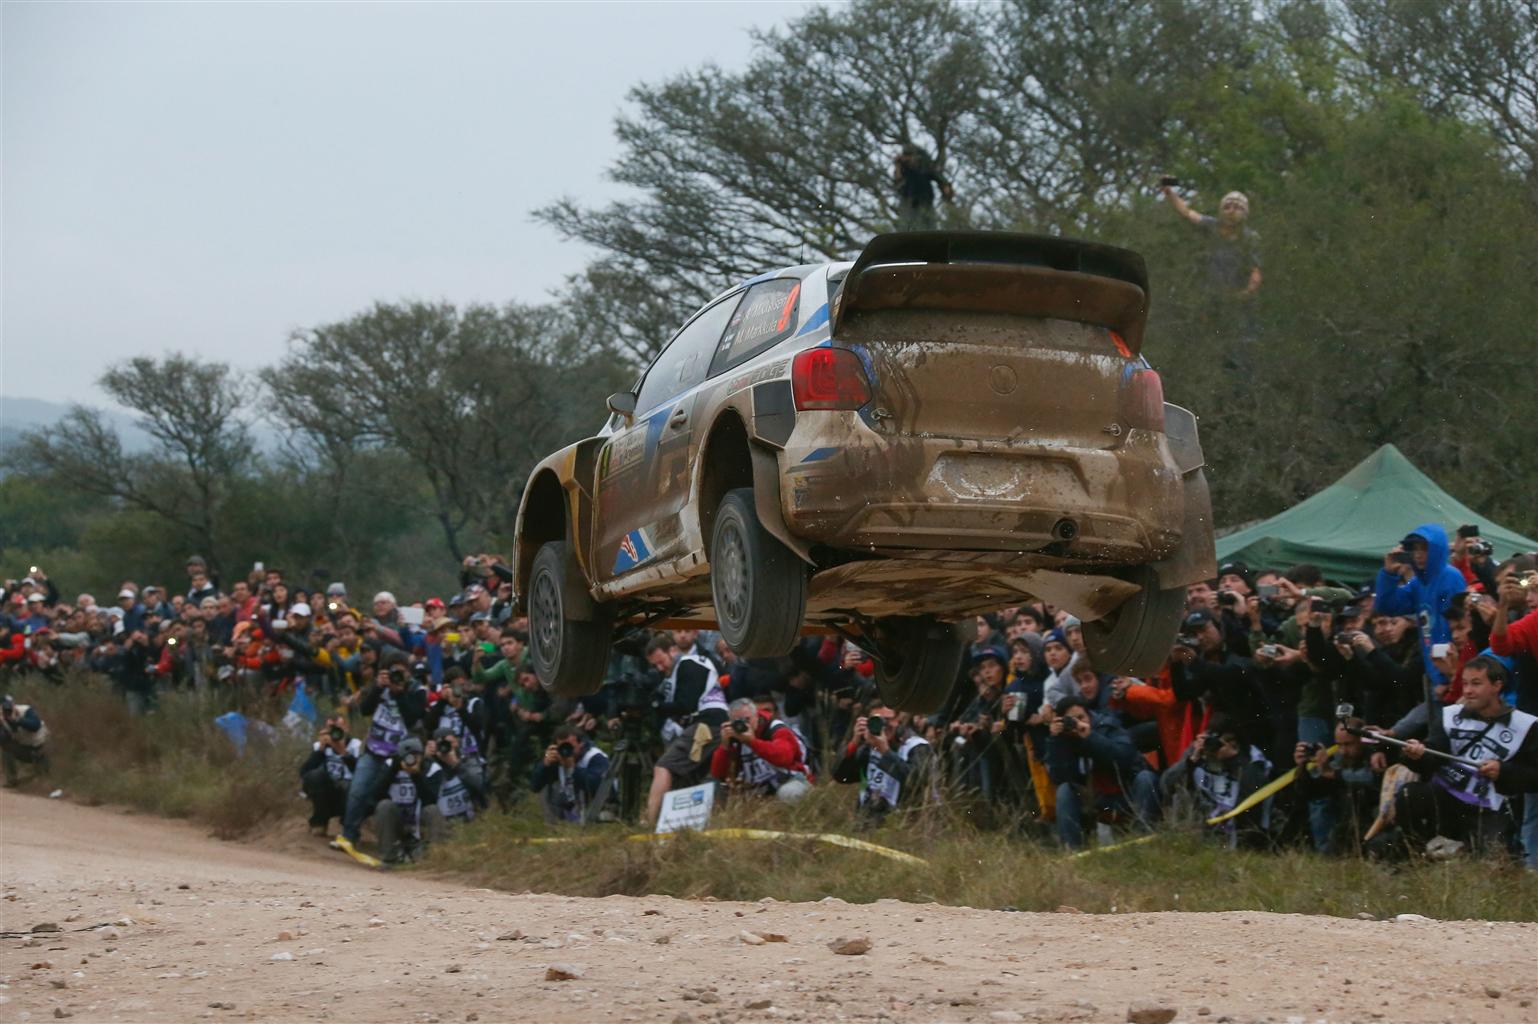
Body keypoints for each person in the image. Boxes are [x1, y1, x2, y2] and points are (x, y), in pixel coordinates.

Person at [1375, 657, 1538, 859]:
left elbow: (1533, 776)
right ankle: (1414, 855)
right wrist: (1417, 755)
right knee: (1409, 795)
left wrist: (1503, 771)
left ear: (1497, 686)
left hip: (1490, 808)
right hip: (1445, 794)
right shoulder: (1450, 715)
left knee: (1496, 859)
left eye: (1476, 684)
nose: (1467, 691)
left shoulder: (1526, 726)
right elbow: (1433, 754)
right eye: (1465, 683)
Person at [1045, 695, 1159, 849]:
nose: (1078, 723)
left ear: (1089, 715)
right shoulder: (1063, 738)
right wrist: (1055, 740)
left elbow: (1124, 758)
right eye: (1072, 720)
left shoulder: (1107, 726)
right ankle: (1072, 850)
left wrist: (1090, 737)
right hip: (1097, 799)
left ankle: (1144, 839)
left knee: (1146, 778)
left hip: (1126, 791)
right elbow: (1058, 777)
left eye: (1081, 717)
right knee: (1064, 790)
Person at [337, 661, 428, 852]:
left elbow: (412, 718)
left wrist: (399, 694)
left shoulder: (417, 691)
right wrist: (378, 688)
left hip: (398, 758)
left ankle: (396, 842)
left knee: (385, 798)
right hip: (373, 751)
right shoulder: (381, 687)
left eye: (402, 672)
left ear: (408, 673)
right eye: (394, 672)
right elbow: (364, 710)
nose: (397, 676)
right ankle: (349, 835)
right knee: (357, 790)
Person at [644, 633, 729, 825]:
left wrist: (657, 706)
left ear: (673, 651)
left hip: (707, 724)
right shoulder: (677, 671)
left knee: (663, 767)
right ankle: (688, 821)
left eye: (661, 662)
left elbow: (685, 704)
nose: (660, 668)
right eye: (655, 666)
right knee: (691, 777)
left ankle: (650, 820)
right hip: (709, 724)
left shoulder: (689, 664)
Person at [1374, 525, 1467, 696]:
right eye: (1414, 549)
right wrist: (1388, 574)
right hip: (1434, 673)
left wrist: (1445, 678)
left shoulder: (1449, 577)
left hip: (1449, 674)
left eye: (1424, 548)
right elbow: (1387, 606)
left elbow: (1451, 628)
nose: (1418, 554)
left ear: (1437, 549)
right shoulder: (1418, 583)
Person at [1162, 713, 1274, 849]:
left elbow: (1252, 799)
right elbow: (1166, 785)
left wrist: (1234, 759)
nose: (1215, 746)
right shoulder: (1199, 752)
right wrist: (1190, 761)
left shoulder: (1252, 759)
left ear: (1234, 742)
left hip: (1241, 832)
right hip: (1202, 823)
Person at [832, 702, 932, 824]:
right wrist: (854, 743)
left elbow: (917, 782)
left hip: (901, 823)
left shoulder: (916, 746)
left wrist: (885, 752)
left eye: (888, 719)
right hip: (865, 820)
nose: (884, 725)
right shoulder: (870, 745)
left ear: (898, 720)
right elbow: (842, 777)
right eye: (877, 720)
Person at [1160, 181, 1262, 299]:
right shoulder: (1212, 225)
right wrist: (1169, 193)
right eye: (1227, 207)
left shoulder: (1250, 237)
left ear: (1245, 213)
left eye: (1237, 208)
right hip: (1207, 293)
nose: (1231, 211)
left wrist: (1247, 292)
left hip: (1235, 294)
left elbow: (1255, 270)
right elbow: (1187, 212)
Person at [709, 697, 812, 803]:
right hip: (757, 791)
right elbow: (718, 774)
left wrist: (752, 742)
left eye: (747, 720)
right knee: (717, 796)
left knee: (788, 793)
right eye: (737, 721)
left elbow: (784, 758)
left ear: (757, 716)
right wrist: (724, 746)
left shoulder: (775, 728)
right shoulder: (734, 738)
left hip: (792, 780)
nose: (743, 725)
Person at [364, 736, 445, 864]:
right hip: (397, 822)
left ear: (422, 755)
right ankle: (389, 857)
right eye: (408, 756)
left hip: (420, 824)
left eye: (416, 756)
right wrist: (392, 771)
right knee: (384, 805)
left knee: (432, 810)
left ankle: (436, 857)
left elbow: (430, 800)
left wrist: (416, 775)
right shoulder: (390, 765)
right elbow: (373, 797)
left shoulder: (432, 769)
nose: (412, 759)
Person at [529, 725, 609, 824]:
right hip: (568, 803)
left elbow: (599, 786)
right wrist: (545, 765)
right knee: (545, 788)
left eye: (570, 746)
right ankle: (554, 825)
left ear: (581, 744)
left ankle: (587, 822)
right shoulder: (557, 757)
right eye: (562, 746)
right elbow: (535, 787)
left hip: (591, 804)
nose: (566, 750)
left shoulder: (595, 757)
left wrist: (572, 768)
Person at [299, 715, 359, 836]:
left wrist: (344, 752)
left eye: (338, 728)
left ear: (347, 728)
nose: (334, 733)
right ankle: (319, 822)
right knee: (315, 776)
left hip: (348, 791)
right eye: (331, 729)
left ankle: (348, 829)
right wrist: (321, 750)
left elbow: (361, 773)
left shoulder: (356, 745)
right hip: (326, 789)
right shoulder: (319, 746)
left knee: (352, 787)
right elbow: (304, 773)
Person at [892, 143, 953, 231]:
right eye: (906, 156)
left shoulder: (924, 167)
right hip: (909, 202)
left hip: (926, 200)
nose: (909, 159)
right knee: (908, 227)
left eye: (911, 156)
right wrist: (898, 165)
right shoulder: (903, 169)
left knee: (929, 225)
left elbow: (938, 176)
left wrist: (945, 186)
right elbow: (898, 183)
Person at [1, 694, 49, 786]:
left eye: (9, 707)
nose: (8, 710)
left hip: (41, 747)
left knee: (44, 774)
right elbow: (3, 740)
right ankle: (11, 779)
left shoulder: (25, 710)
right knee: (6, 747)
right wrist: (3, 724)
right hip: (27, 750)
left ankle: (43, 774)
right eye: (5, 709)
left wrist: (17, 720)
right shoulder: (3, 719)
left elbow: (35, 725)